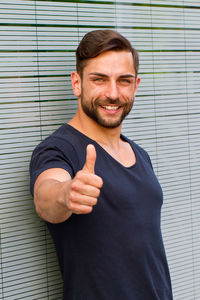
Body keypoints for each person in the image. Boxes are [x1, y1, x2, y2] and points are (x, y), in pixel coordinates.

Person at [30, 30, 173, 299]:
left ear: (136, 86)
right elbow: (46, 195)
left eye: (124, 81)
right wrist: (66, 194)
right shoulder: (59, 149)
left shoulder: (140, 154)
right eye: (99, 79)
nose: (113, 93)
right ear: (77, 83)